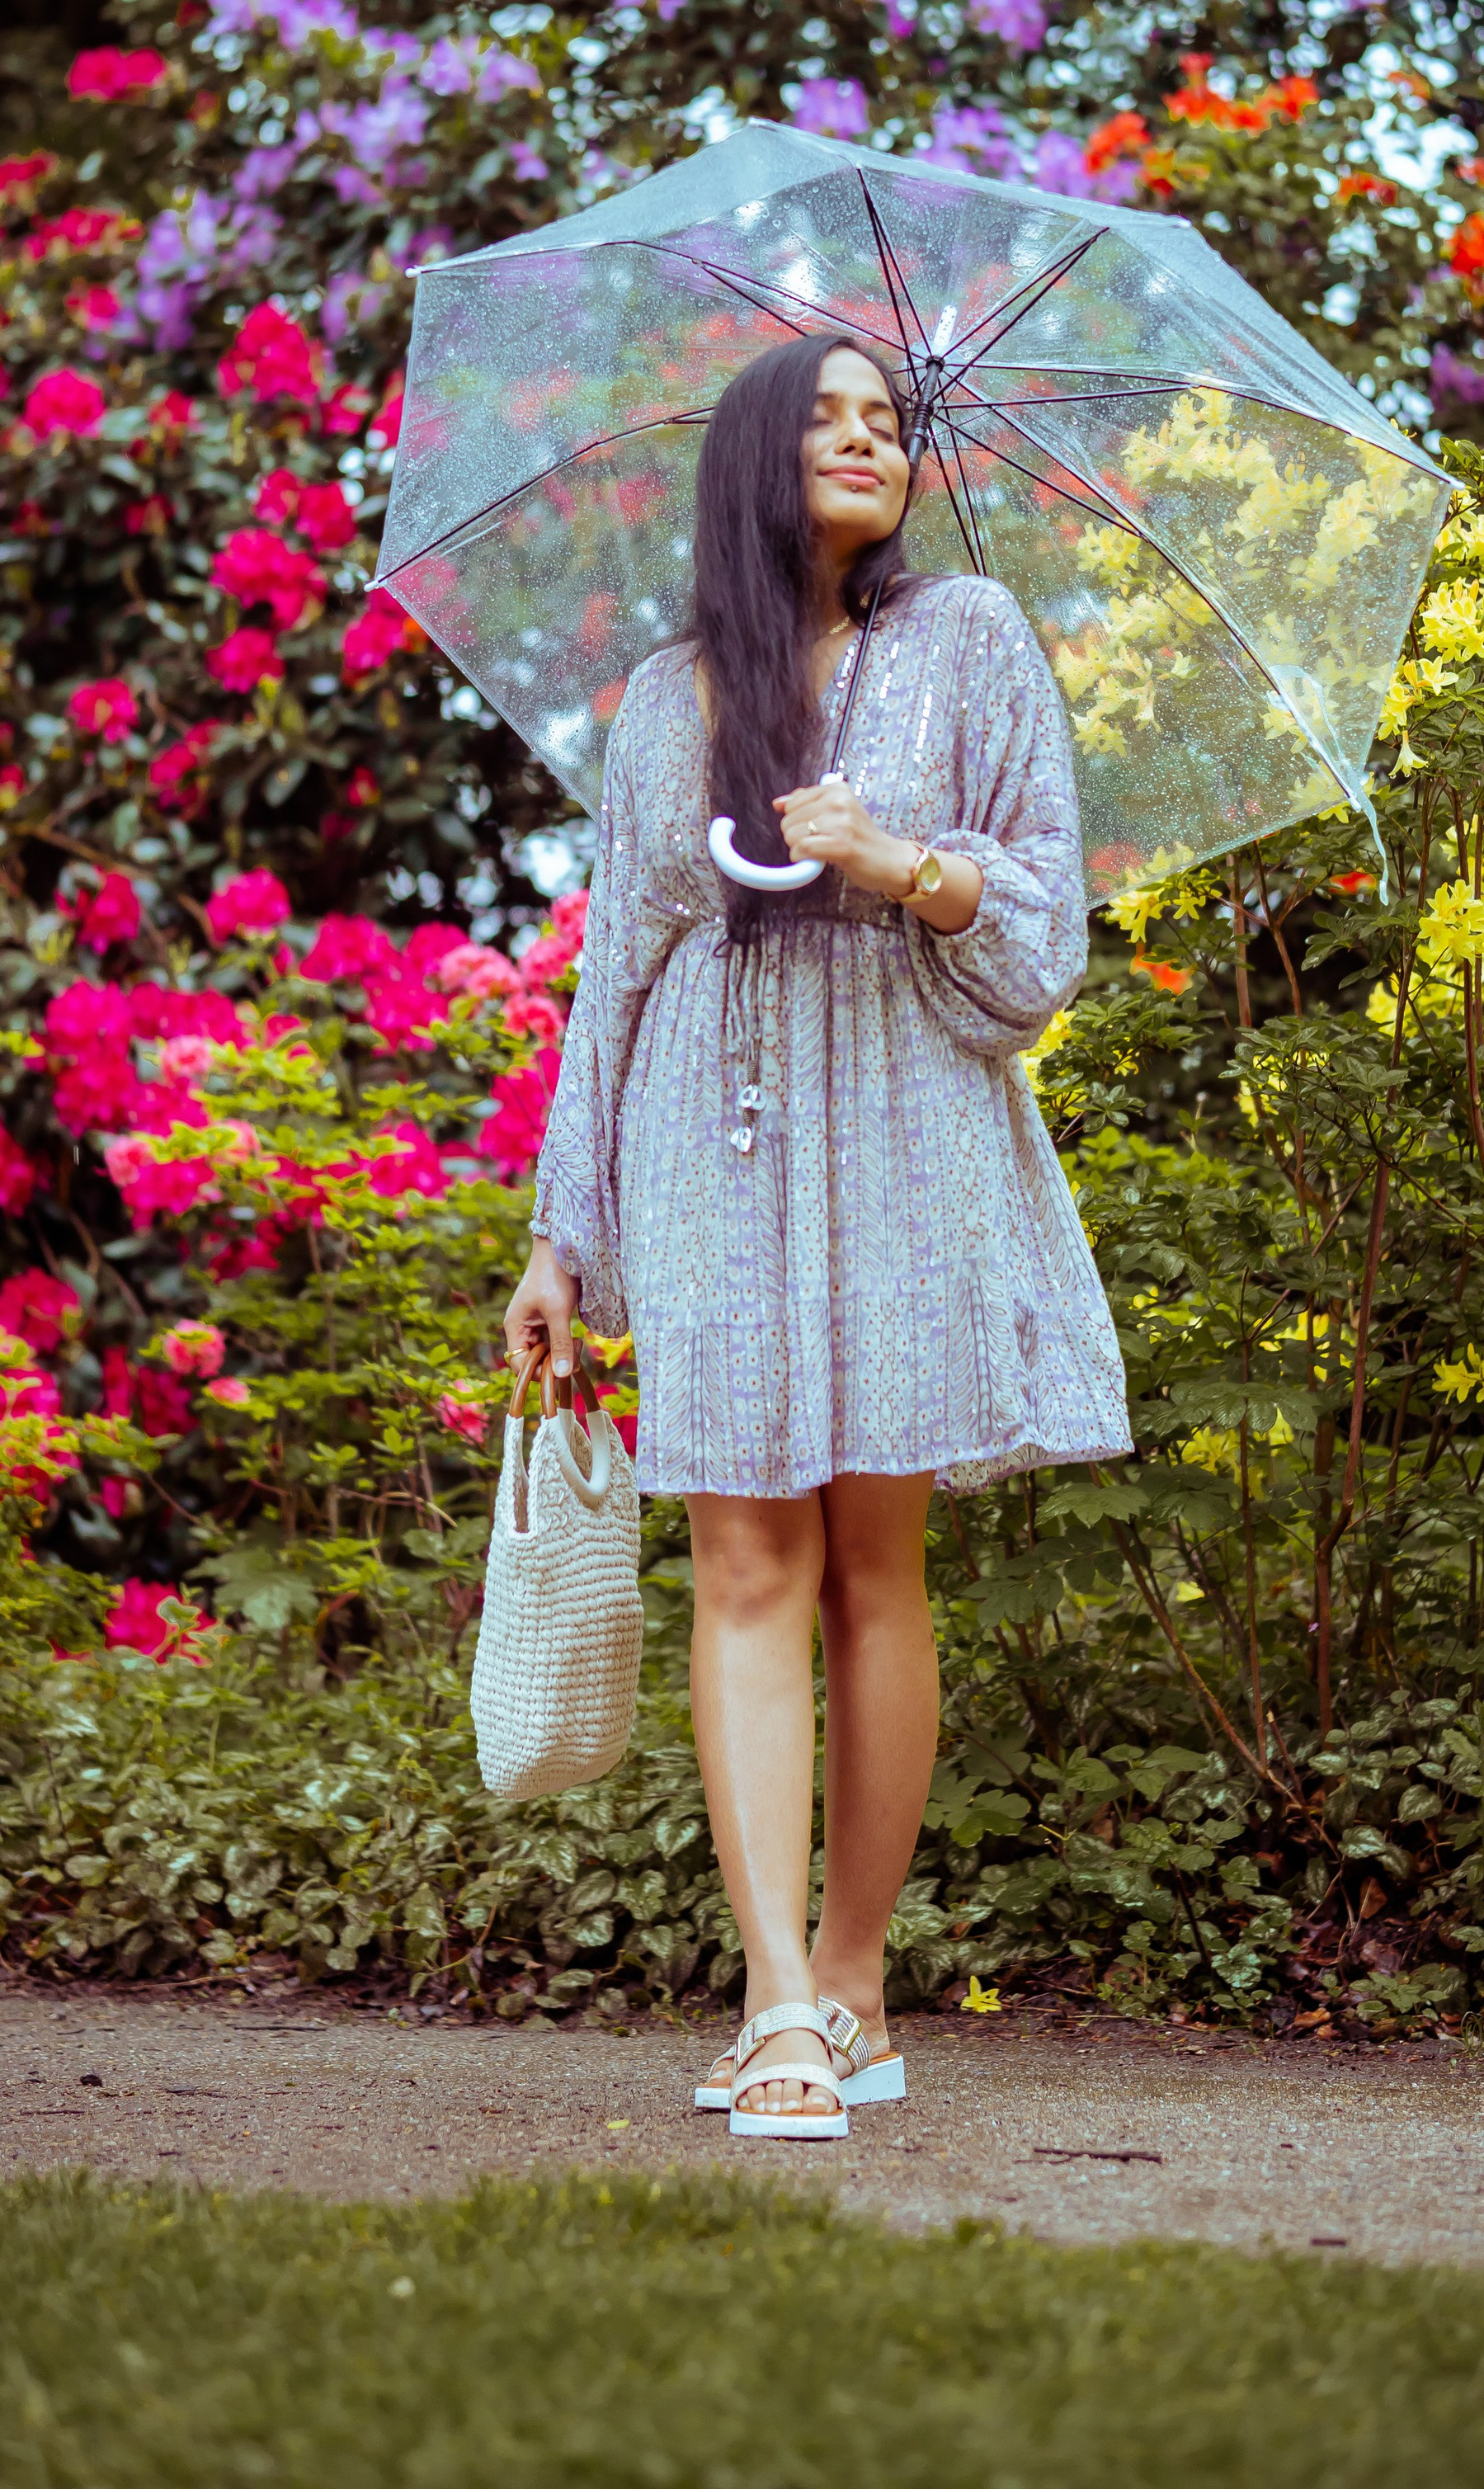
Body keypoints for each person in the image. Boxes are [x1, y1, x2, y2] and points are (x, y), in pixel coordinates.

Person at [502, 333, 1128, 2138]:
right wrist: (567, 1241)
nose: (863, 443)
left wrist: (895, 861)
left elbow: (1036, 944)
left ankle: (852, 1985)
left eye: (884, 426)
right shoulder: (665, 697)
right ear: (754, 463)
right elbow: (612, 977)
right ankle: (771, 1995)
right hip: (714, 1132)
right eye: (828, 421)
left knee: (875, 1567)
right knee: (742, 1565)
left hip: (911, 1127)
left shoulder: (969, 643)